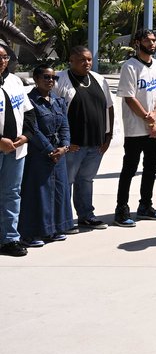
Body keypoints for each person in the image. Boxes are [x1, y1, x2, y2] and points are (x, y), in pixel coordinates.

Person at [55, 46, 114, 230]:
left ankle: (86, 215)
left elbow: (109, 108)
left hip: (96, 144)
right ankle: (64, 220)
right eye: (82, 60)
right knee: (66, 182)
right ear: (71, 61)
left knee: (86, 181)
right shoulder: (60, 81)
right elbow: (54, 112)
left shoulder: (99, 79)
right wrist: (64, 142)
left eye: (89, 59)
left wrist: (108, 135)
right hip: (73, 145)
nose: (87, 63)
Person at [114, 28, 156, 226]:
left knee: (151, 169)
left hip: (155, 128)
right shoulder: (130, 67)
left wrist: (155, 116)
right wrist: (149, 120)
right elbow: (129, 98)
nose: (152, 44)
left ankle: (145, 205)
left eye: (154, 40)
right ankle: (121, 209)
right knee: (129, 169)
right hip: (136, 129)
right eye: (148, 40)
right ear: (138, 42)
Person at [18, 65, 71, 246]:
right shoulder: (30, 100)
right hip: (39, 153)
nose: (50, 81)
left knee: (58, 192)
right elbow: (33, 128)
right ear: (36, 78)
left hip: (59, 153)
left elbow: (65, 124)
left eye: (54, 78)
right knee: (37, 193)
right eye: (46, 77)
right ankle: (31, 233)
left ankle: (53, 229)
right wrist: (49, 149)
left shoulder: (58, 100)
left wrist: (64, 146)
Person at [0, 43, 31, 256]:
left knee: (12, 193)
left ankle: (10, 238)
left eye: (4, 57)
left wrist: (25, 136)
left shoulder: (15, 81)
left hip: (16, 149)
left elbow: (28, 113)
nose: (1, 61)